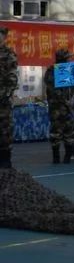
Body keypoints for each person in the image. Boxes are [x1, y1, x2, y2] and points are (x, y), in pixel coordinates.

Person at [44, 49, 74, 164]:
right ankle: (56, 157)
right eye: (68, 58)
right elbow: (52, 90)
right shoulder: (51, 71)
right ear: (63, 59)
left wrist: (72, 99)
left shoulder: (72, 69)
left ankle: (68, 156)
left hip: (69, 108)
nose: (70, 59)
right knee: (56, 132)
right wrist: (65, 101)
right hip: (57, 108)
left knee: (69, 132)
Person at [0, 27, 18, 168]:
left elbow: (12, 77)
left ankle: (6, 160)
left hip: (2, 100)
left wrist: (5, 95)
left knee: (4, 129)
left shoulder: (9, 54)